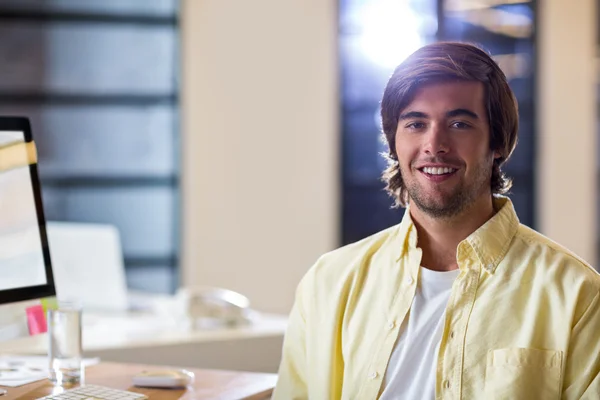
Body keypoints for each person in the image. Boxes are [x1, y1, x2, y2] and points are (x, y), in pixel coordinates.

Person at [272, 42, 600, 399]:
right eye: (415, 123)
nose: (434, 143)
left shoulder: (578, 297)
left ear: (498, 143)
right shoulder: (328, 282)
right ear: (394, 141)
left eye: (459, 123)